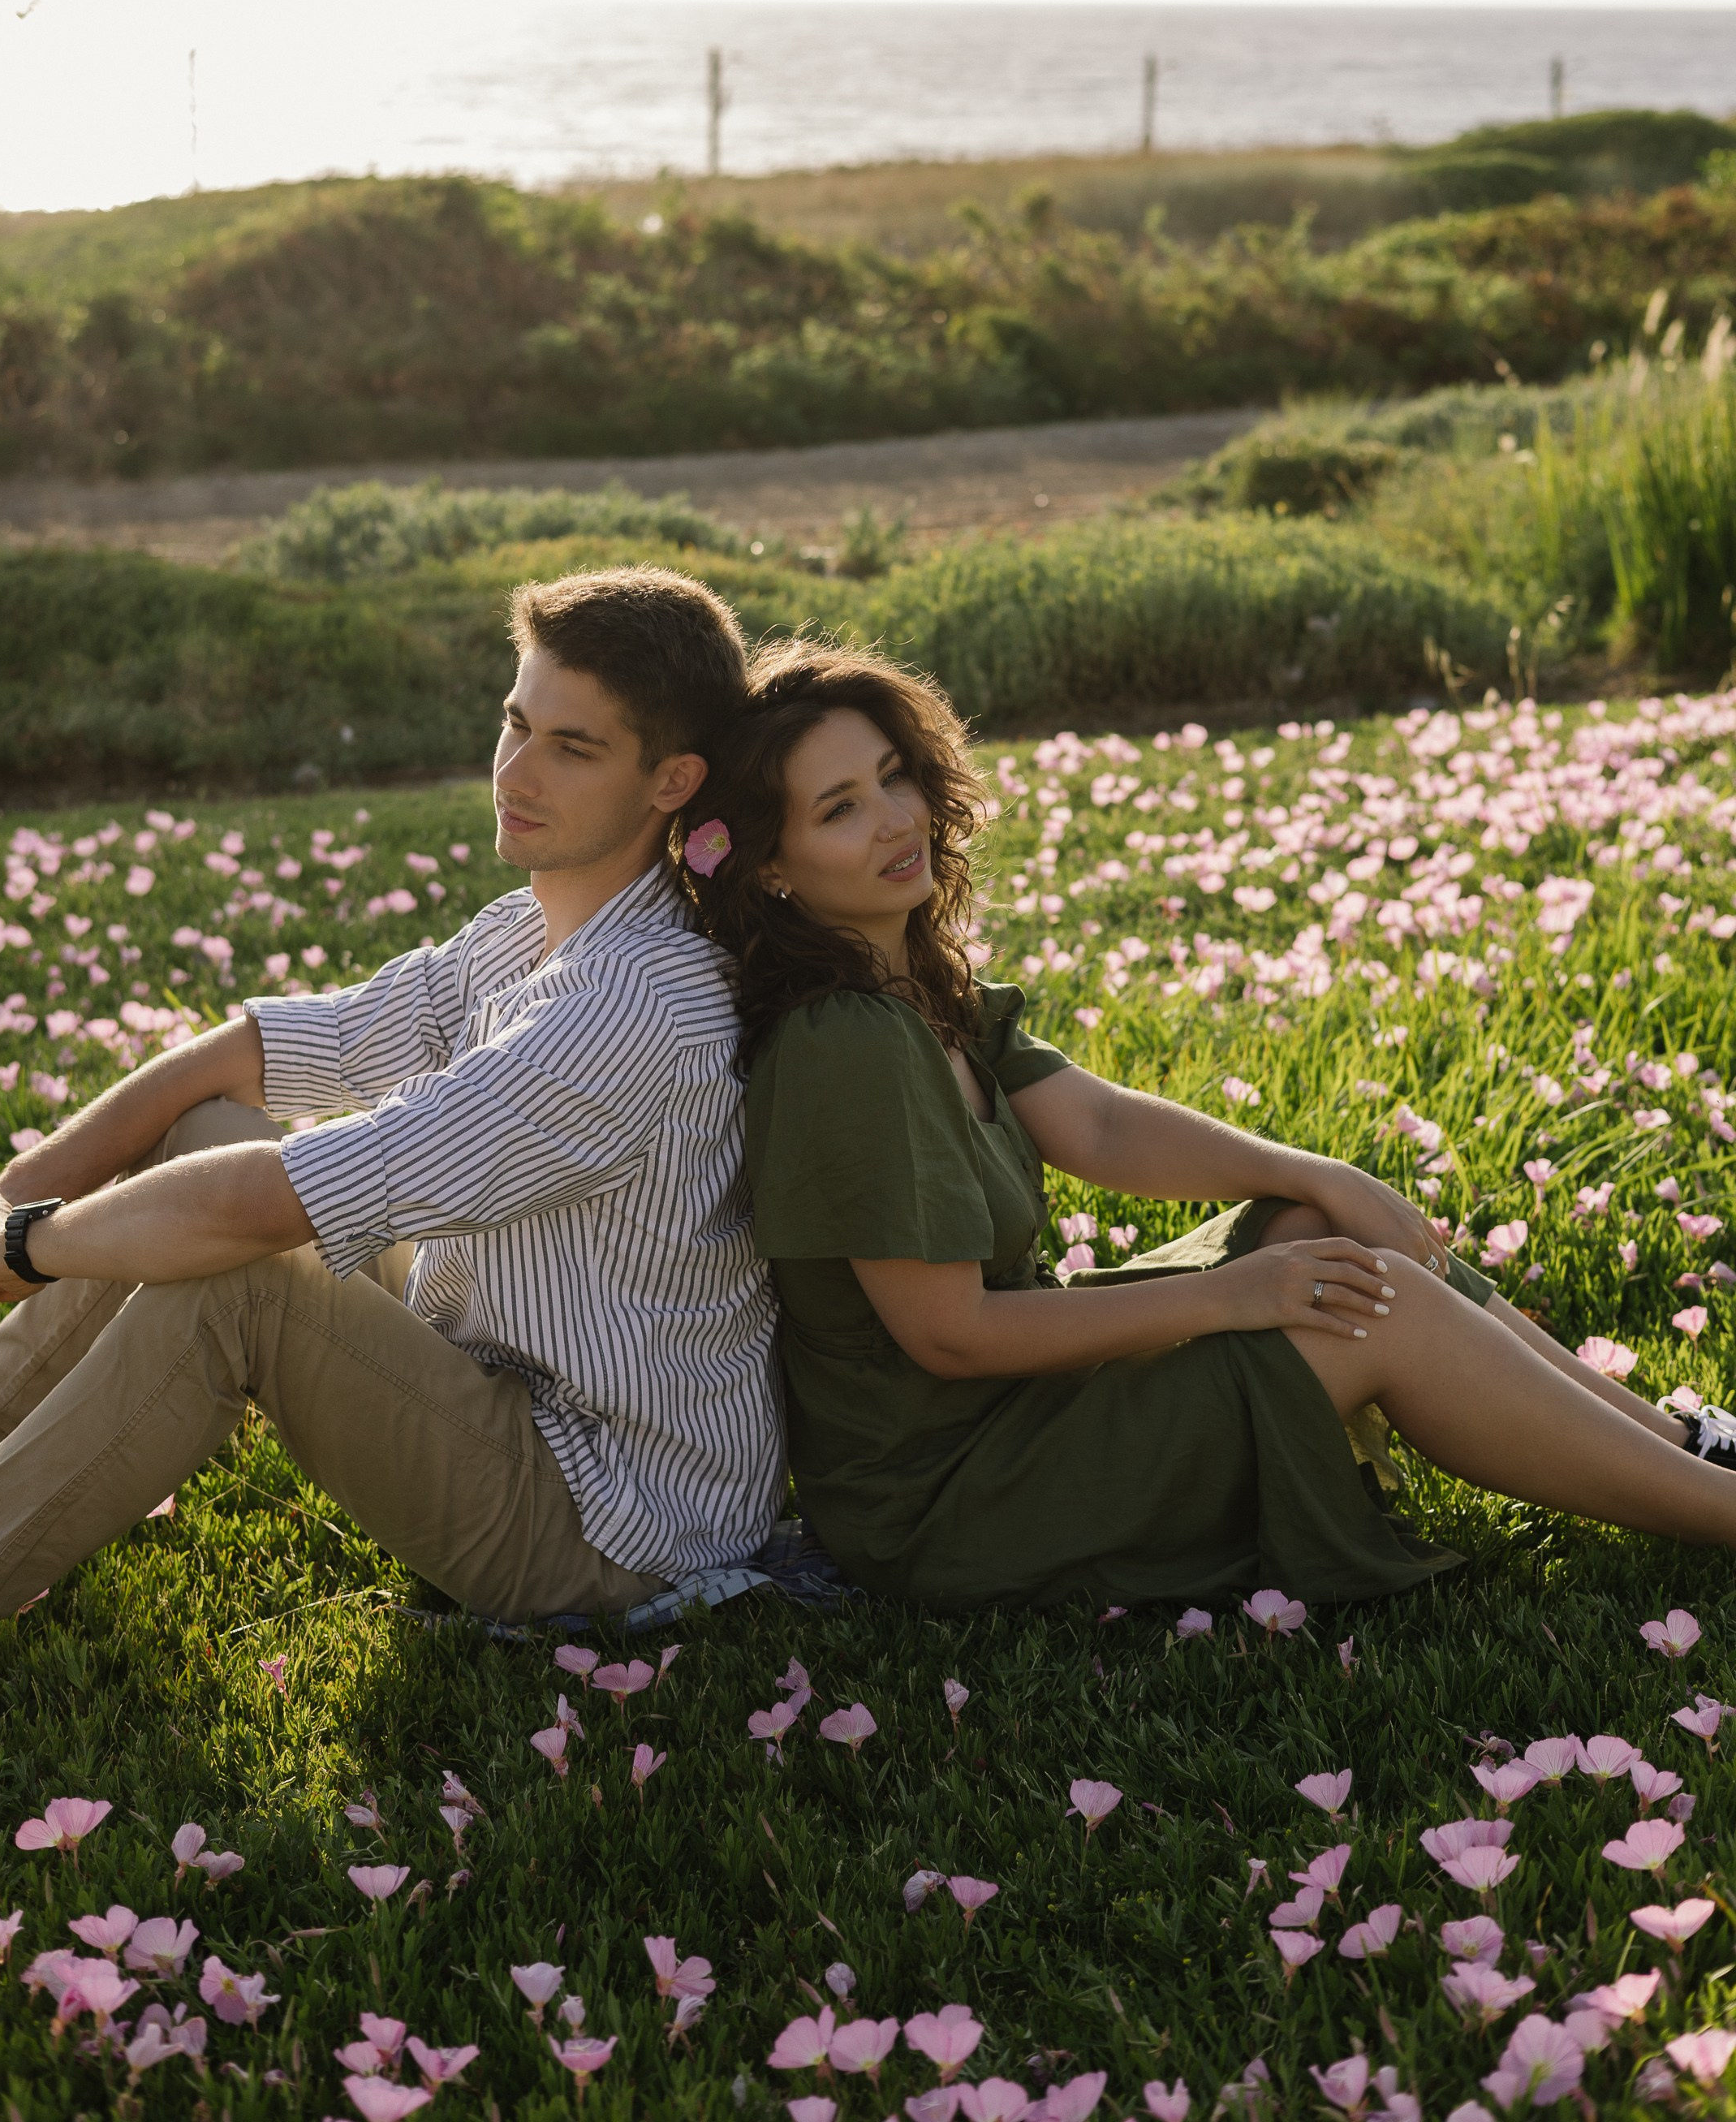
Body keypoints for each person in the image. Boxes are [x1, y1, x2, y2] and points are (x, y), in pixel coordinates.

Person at [687, 638, 1736, 1611]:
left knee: (1322, 1236)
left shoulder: (912, 981)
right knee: (1373, 1307)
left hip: (1020, 1419)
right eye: (838, 809)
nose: (894, 818)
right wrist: (1229, 1297)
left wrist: (1319, 1173)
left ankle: (1691, 1444)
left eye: (892, 775)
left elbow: (1097, 1128)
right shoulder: (844, 1044)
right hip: (952, 1495)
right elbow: (952, 1335)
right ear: (773, 867)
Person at [0, 566, 782, 1627]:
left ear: (671, 781)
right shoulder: (526, 930)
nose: (516, 772)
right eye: (516, 724)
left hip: (608, 1524)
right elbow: (252, 1050)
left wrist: (25, 1246)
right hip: (500, 1374)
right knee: (204, 1133)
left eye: (571, 748)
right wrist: (16, 1192)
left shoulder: (633, 1005)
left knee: (244, 1277)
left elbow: (260, 1212)